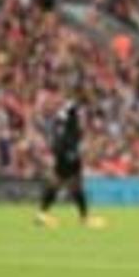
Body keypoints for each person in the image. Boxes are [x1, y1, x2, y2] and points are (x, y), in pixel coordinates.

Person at [34, 97, 102, 229]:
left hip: (66, 152)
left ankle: (43, 214)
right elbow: (63, 137)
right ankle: (44, 214)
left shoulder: (65, 118)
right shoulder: (71, 120)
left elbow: (58, 134)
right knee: (61, 182)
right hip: (67, 153)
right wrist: (70, 152)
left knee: (70, 183)